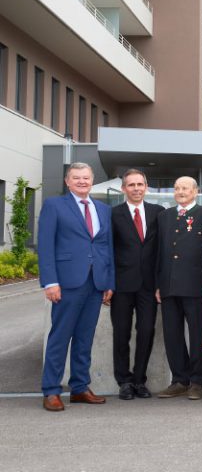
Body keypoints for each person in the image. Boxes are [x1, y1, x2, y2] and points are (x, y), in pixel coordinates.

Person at [38, 162, 114, 412]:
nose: (82, 181)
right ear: (67, 181)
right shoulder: (54, 205)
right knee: (60, 337)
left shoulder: (103, 209)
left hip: (95, 283)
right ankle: (51, 390)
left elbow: (106, 248)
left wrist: (108, 281)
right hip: (67, 282)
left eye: (86, 178)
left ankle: (80, 387)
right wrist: (50, 281)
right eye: (76, 178)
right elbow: (46, 245)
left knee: (85, 338)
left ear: (92, 180)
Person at [155, 177, 202, 400]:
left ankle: (198, 381)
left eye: (185, 188)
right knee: (172, 334)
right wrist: (158, 284)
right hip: (169, 285)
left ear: (195, 191)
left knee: (199, 333)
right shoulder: (164, 216)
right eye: (177, 188)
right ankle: (179, 380)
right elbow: (159, 252)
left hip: (196, 285)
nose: (181, 192)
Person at [110, 169, 164, 400]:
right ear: (124, 188)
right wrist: (107, 285)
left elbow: (163, 251)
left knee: (146, 332)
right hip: (121, 285)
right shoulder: (113, 214)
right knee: (121, 334)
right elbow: (108, 251)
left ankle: (140, 380)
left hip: (149, 286)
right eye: (131, 185)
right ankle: (124, 381)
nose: (136, 188)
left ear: (146, 186)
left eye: (140, 184)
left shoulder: (158, 213)